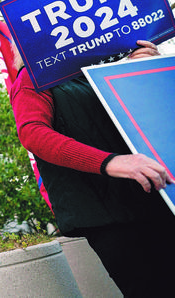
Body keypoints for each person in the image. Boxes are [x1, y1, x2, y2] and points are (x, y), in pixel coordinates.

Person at [11, 40, 175, 297]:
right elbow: (33, 134)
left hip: (156, 195)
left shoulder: (105, 67)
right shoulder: (33, 78)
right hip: (106, 213)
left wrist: (141, 70)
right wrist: (110, 162)